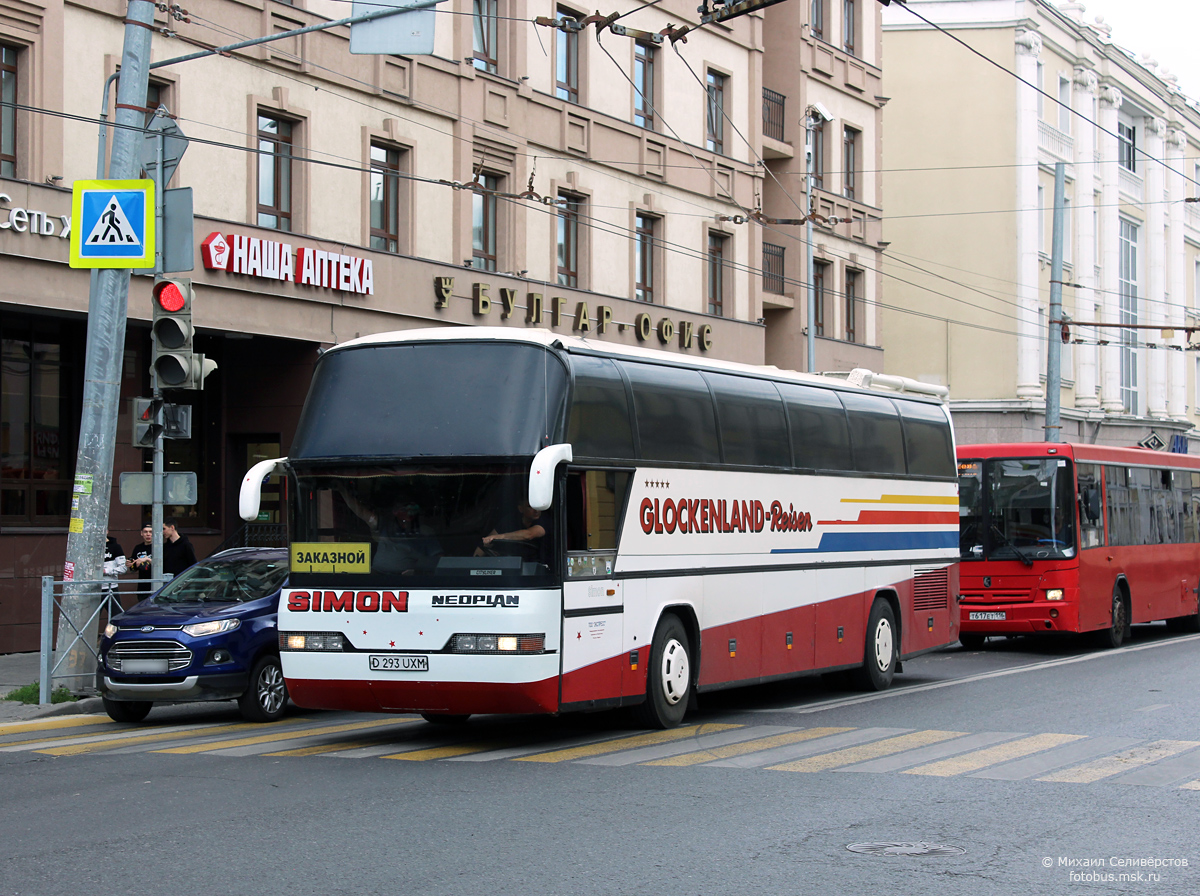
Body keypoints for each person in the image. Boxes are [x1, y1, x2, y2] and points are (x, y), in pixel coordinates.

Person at [478, 500, 552, 564]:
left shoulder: (545, 520)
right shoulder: (510, 521)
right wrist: (475, 562)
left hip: (540, 569)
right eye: (530, 507)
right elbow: (487, 541)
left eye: (537, 507)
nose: (536, 510)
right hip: (510, 568)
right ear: (521, 509)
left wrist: (500, 537)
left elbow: (529, 534)